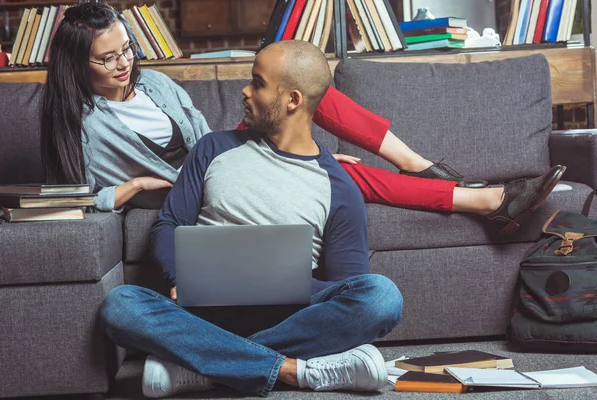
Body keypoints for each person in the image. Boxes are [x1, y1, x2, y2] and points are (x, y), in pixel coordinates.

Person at [101, 39, 403, 397]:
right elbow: (167, 225)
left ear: (293, 100)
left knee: (382, 297)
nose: (244, 91)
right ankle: (291, 370)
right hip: (201, 310)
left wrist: (283, 283)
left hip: (289, 317)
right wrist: (182, 277)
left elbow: (346, 287)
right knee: (121, 306)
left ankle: (205, 365)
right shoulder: (212, 148)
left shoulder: (339, 188)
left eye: (257, 83)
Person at [40, 3, 506, 221]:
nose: (124, 64)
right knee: (328, 171)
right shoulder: (81, 123)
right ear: (76, 64)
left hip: (222, 160)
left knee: (301, 84)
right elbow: (70, 197)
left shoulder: (155, 83)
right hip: (198, 192)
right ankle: (477, 198)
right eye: (108, 58)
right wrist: (133, 187)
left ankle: (418, 164)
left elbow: (208, 140)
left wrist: (281, 152)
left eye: (127, 49)